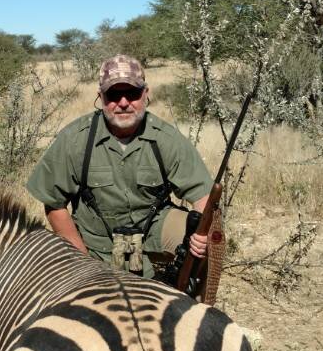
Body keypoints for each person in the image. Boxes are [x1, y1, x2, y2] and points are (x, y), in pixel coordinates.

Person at [26, 54, 212, 277]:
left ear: (145, 94)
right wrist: (81, 260)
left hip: (152, 227)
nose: (123, 103)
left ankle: (199, 304)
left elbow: (204, 196)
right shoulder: (74, 138)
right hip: (96, 239)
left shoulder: (166, 138)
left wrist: (202, 233)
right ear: (101, 97)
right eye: (113, 95)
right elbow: (53, 204)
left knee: (212, 242)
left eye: (132, 93)